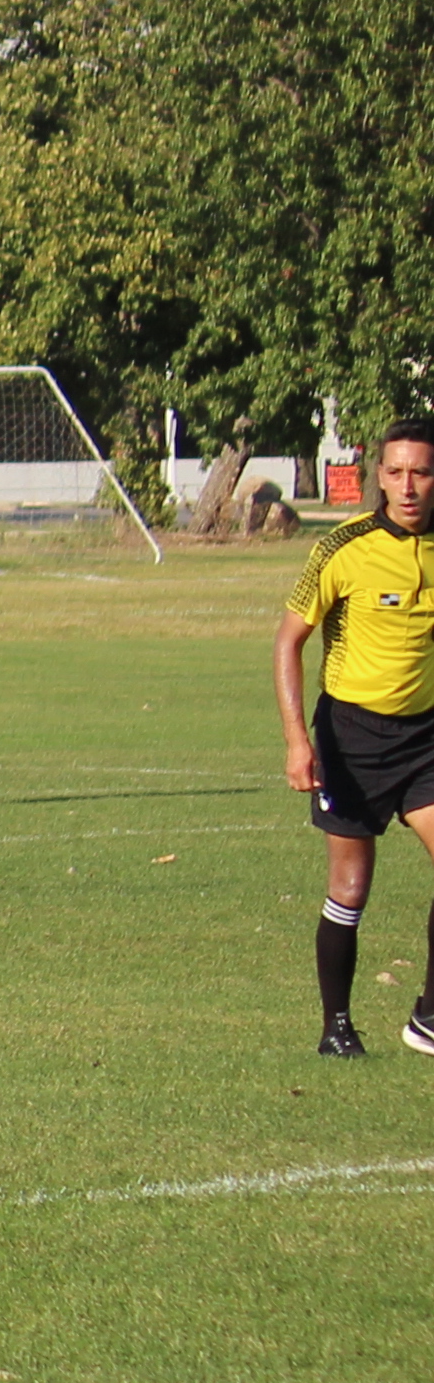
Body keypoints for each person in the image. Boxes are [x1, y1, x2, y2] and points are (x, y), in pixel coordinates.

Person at [279, 419, 434, 1060]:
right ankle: (336, 1026)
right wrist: (297, 742)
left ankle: (428, 1016)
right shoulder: (346, 547)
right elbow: (288, 642)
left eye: (421, 472)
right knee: (350, 889)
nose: (408, 486)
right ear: (378, 475)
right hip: (350, 739)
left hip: (425, 737)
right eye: (396, 472)